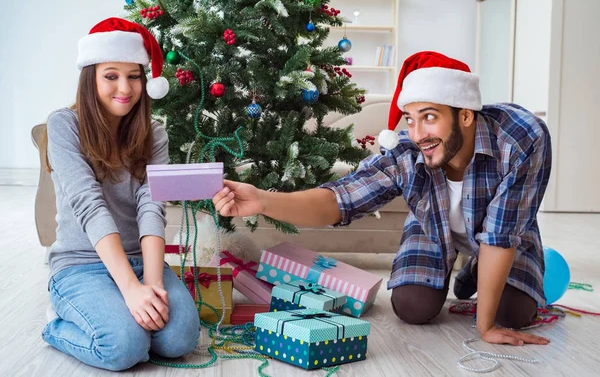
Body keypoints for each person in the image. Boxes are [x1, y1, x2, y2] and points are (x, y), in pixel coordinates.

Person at [213, 51, 552, 347]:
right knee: (412, 307)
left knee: (511, 314)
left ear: (465, 115)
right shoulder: (405, 152)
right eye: (411, 119)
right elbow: (338, 200)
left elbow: (500, 235)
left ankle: (479, 270)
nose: (418, 134)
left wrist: (487, 326)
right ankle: (465, 268)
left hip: (504, 234)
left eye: (430, 117)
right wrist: (263, 200)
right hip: (432, 231)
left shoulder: (520, 138)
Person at [41, 17, 199, 371]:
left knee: (179, 340)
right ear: (91, 78)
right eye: (111, 75)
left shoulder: (154, 134)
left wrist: (152, 284)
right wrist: (130, 289)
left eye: (134, 76)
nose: (124, 88)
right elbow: (89, 206)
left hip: (141, 260)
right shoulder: (64, 125)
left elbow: (151, 206)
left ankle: (128, 309)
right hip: (82, 265)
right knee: (123, 348)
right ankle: (55, 326)